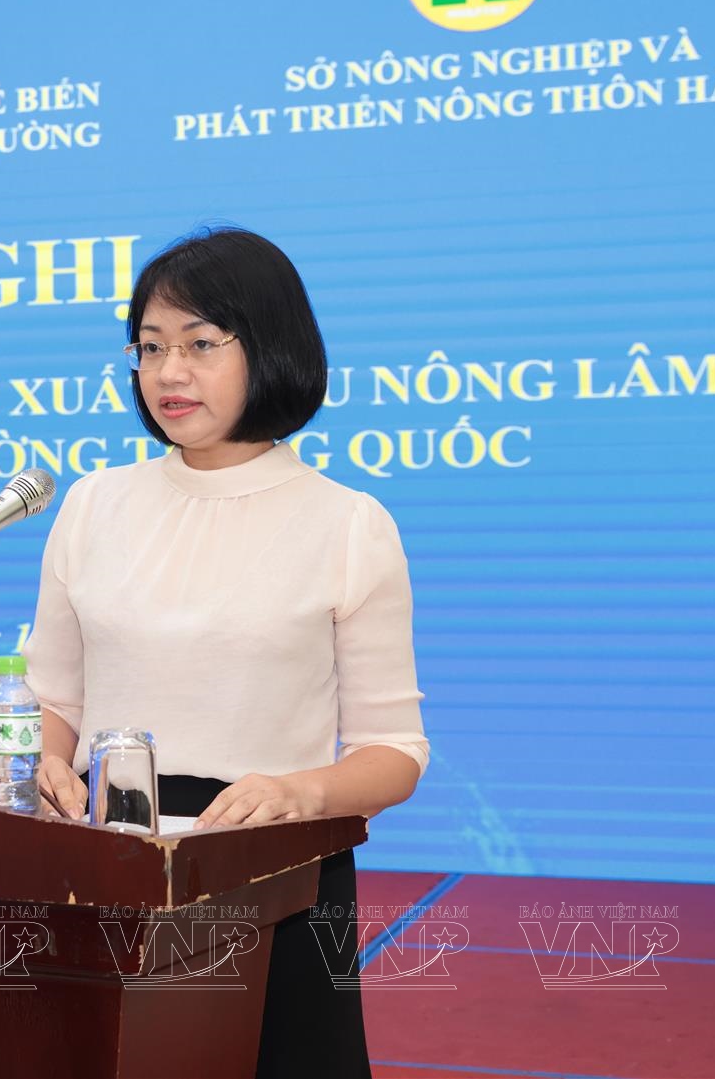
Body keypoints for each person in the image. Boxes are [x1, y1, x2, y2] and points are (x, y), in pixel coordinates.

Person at [22, 225, 428, 1079]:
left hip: (277, 873)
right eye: (150, 347)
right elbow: (55, 697)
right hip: (109, 864)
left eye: (201, 343)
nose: (169, 372)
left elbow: (395, 752)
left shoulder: (347, 523)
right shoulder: (93, 504)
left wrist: (298, 792)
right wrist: (49, 762)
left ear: (269, 347)